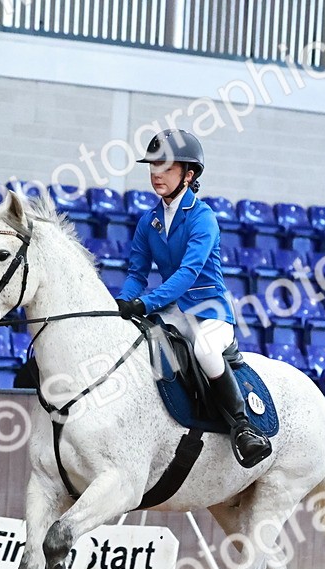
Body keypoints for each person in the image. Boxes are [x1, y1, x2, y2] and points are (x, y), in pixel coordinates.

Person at [114, 129, 271, 468]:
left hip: (209, 310)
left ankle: (242, 427)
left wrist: (145, 303)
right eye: (153, 166)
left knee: (204, 349)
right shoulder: (148, 220)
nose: (156, 173)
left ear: (188, 174)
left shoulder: (203, 218)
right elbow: (137, 272)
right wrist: (124, 303)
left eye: (166, 167)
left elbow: (187, 274)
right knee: (139, 343)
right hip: (173, 311)